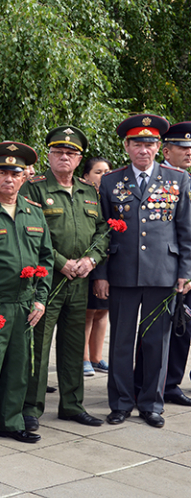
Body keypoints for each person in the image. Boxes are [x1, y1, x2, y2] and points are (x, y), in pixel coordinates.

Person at [94, 114, 191, 428]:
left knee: (156, 343)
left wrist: (185, 272)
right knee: (121, 342)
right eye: (137, 143)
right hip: (122, 273)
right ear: (126, 145)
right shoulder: (111, 181)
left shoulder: (177, 180)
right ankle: (121, 402)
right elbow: (103, 233)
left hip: (163, 272)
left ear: (158, 146)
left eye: (149, 143)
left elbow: (186, 232)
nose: (143, 149)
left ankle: (151, 403)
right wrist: (101, 275)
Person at [0, 142, 53, 449]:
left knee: (19, 367)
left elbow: (46, 259)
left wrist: (41, 298)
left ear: (24, 176)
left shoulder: (34, 213)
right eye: (2, 172)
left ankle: (11, 422)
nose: (9, 178)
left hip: (24, 302)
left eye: (15, 173)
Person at [22, 127, 108, 432]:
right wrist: (61, 262)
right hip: (47, 281)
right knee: (38, 345)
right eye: (58, 152)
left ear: (79, 158)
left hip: (80, 281)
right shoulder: (34, 188)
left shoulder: (88, 191)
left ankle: (72, 405)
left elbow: (101, 230)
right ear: (48, 154)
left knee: (73, 346)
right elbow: (30, 231)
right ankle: (30, 407)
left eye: (71, 153)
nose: (64, 157)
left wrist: (91, 260)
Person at [132, 122, 191, 407]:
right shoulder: (161, 179)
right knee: (160, 328)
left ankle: (169, 382)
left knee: (182, 329)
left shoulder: (185, 179)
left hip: (184, 266)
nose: (189, 153)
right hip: (165, 267)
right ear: (165, 150)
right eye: (183, 148)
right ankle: (149, 383)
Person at [81, 156, 112, 375]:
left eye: (107, 172)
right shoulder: (85, 198)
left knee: (103, 312)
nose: (104, 176)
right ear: (86, 177)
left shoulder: (112, 196)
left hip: (111, 262)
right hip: (90, 262)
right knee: (89, 312)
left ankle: (96, 357)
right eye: (98, 172)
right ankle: (82, 358)